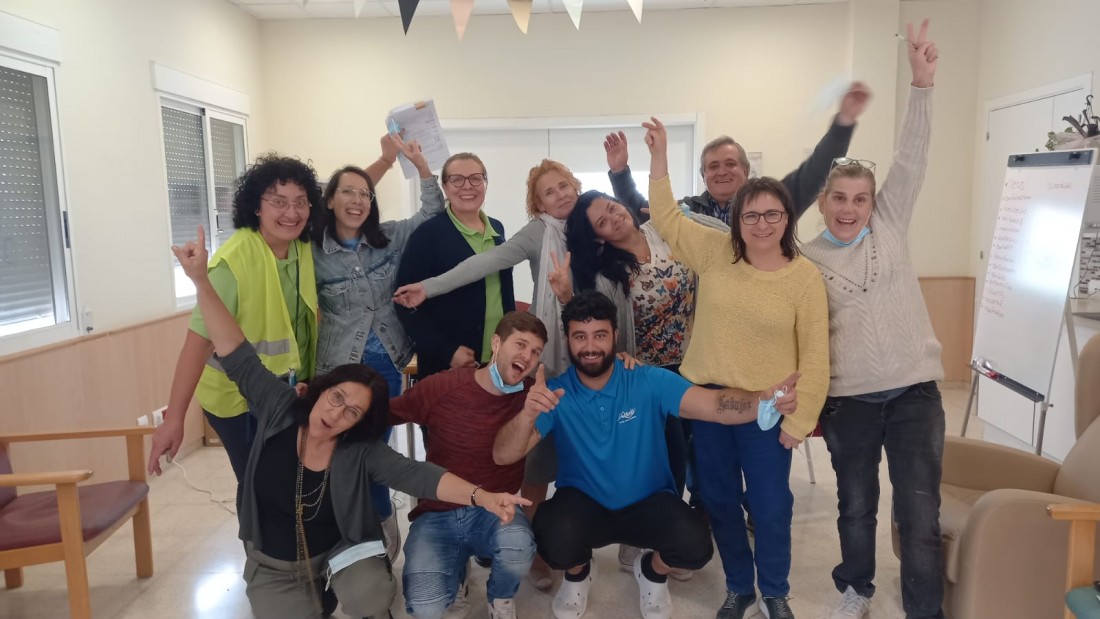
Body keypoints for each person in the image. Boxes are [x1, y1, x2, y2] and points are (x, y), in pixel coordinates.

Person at [163, 226, 530, 619]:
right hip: (275, 565)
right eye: (336, 397)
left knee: (370, 595)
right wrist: (201, 281)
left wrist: (482, 496)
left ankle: (351, 586)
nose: (337, 413)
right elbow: (234, 349)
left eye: (352, 412)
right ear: (321, 389)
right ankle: (314, 596)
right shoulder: (279, 407)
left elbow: (419, 475)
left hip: (342, 552)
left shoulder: (359, 449)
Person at [493, 291, 801, 619]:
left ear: (615, 335)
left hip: (648, 502)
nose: (590, 346)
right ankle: (578, 572)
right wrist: (527, 415)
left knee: (696, 544)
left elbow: (715, 406)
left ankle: (652, 571)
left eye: (600, 335)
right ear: (568, 340)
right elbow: (503, 455)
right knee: (551, 534)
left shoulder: (648, 379)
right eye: (580, 336)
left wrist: (762, 400)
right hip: (582, 504)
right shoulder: (557, 393)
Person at [645, 118, 831, 619]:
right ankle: (738, 587)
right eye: (751, 215)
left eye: (772, 214)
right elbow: (665, 218)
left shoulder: (803, 277)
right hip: (710, 405)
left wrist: (799, 421)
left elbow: (816, 356)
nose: (762, 224)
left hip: (769, 412)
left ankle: (774, 590)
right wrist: (659, 158)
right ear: (737, 220)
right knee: (720, 501)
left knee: (771, 508)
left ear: (787, 218)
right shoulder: (714, 254)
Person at [802, 21, 944, 619]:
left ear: (872, 201)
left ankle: (924, 609)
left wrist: (922, 84)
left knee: (919, 513)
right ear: (822, 201)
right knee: (856, 506)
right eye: (839, 198)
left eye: (860, 198)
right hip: (850, 402)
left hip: (914, 395)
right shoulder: (806, 259)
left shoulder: (889, 223)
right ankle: (855, 590)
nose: (850, 208)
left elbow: (912, 156)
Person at [563, 189, 726, 578]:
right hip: (648, 375)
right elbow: (599, 325)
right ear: (598, 238)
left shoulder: (665, 231)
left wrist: (680, 213)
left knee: (702, 453)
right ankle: (646, 538)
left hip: (697, 363)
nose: (614, 218)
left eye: (612, 208)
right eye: (602, 222)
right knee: (666, 459)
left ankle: (678, 533)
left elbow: (722, 233)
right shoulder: (605, 274)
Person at [148, 154, 324, 483]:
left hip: (284, 392)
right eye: (278, 202)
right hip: (236, 400)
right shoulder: (232, 263)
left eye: (301, 202)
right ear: (256, 207)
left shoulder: (302, 248)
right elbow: (198, 345)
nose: (291, 213)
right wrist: (174, 419)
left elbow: (350, 198)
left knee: (287, 484)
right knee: (261, 487)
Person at [313, 134, 439, 562]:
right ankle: (351, 540)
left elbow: (431, 214)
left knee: (369, 452)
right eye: (347, 192)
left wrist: (421, 167)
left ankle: (382, 536)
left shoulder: (388, 237)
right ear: (329, 200)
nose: (357, 201)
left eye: (364, 195)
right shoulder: (312, 250)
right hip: (338, 367)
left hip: (386, 364)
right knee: (337, 455)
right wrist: (382, 162)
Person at [391, 311, 548, 619]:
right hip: (438, 511)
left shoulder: (534, 397)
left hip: (495, 508)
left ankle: (500, 598)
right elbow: (388, 414)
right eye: (520, 344)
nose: (527, 356)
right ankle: (456, 574)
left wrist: (624, 361)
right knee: (425, 606)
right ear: (496, 343)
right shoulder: (443, 386)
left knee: (518, 547)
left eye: (536, 352)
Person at [603, 81, 870, 225]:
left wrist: (843, 122)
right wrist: (619, 171)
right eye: (713, 166)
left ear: (746, 170)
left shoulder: (773, 201)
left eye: (730, 163)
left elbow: (814, 172)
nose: (722, 171)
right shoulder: (687, 211)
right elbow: (641, 211)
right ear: (703, 176)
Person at [394, 152, 515, 380]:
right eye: (457, 179)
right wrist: (447, 350)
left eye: (476, 178)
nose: (467, 186)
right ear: (445, 187)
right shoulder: (427, 235)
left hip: (497, 359)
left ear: (485, 183)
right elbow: (404, 304)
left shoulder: (497, 229)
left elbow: (502, 292)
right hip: (449, 364)